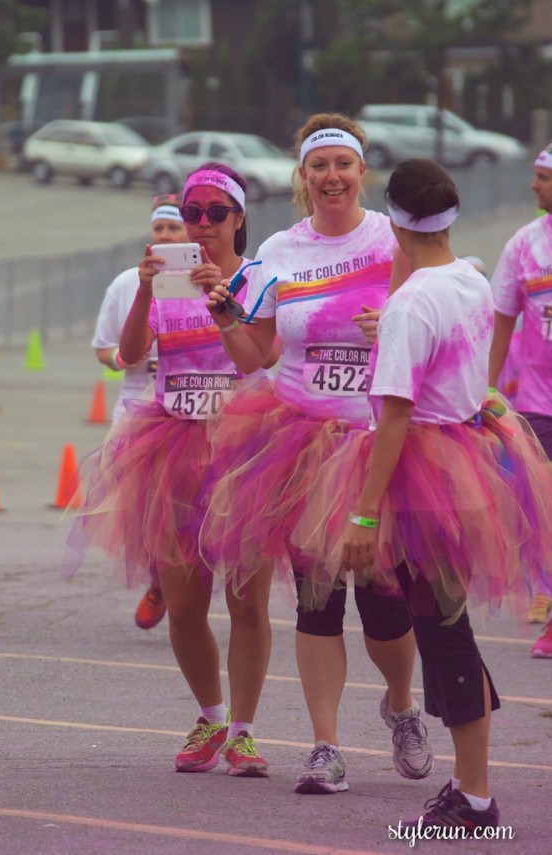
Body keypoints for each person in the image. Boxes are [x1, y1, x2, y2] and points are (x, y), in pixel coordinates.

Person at [294, 157, 552, 830]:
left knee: (446, 633)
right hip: (465, 461)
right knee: (443, 628)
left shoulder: (410, 302)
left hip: (422, 480)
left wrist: (363, 511)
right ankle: (470, 790)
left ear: (396, 218)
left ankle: (474, 796)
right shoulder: (465, 277)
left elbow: (397, 417)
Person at [202, 114, 434, 794]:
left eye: (342, 164)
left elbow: (442, 327)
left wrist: (393, 322)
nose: (331, 176)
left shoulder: (397, 241)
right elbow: (260, 356)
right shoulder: (276, 250)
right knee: (316, 601)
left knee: (387, 604)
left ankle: (400, 704)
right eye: (318, 166)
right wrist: (227, 323)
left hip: (381, 442)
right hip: (301, 444)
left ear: (363, 172)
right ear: (303, 178)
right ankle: (325, 745)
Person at [67, 163, 278, 777]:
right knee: (185, 606)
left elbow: (256, 359)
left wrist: (225, 305)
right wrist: (143, 286)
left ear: (239, 217)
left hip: (245, 454)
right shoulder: (167, 281)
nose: (203, 223)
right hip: (171, 449)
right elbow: (130, 355)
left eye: (216, 212)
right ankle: (210, 715)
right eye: (193, 213)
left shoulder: (259, 278)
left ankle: (243, 731)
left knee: (248, 604)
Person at [92, 195, 188, 632]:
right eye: (159, 230)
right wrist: (124, 359)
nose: (165, 237)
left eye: (173, 229)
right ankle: (160, 582)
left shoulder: (208, 278)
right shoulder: (127, 283)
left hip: (188, 411)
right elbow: (102, 348)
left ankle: (184, 583)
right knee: (145, 511)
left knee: (187, 510)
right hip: (134, 412)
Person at [488, 143, 552, 646]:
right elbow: (501, 325)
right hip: (537, 401)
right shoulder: (524, 245)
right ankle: (545, 592)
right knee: (542, 503)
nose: (534, 186)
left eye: (543, 177)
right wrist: (485, 390)